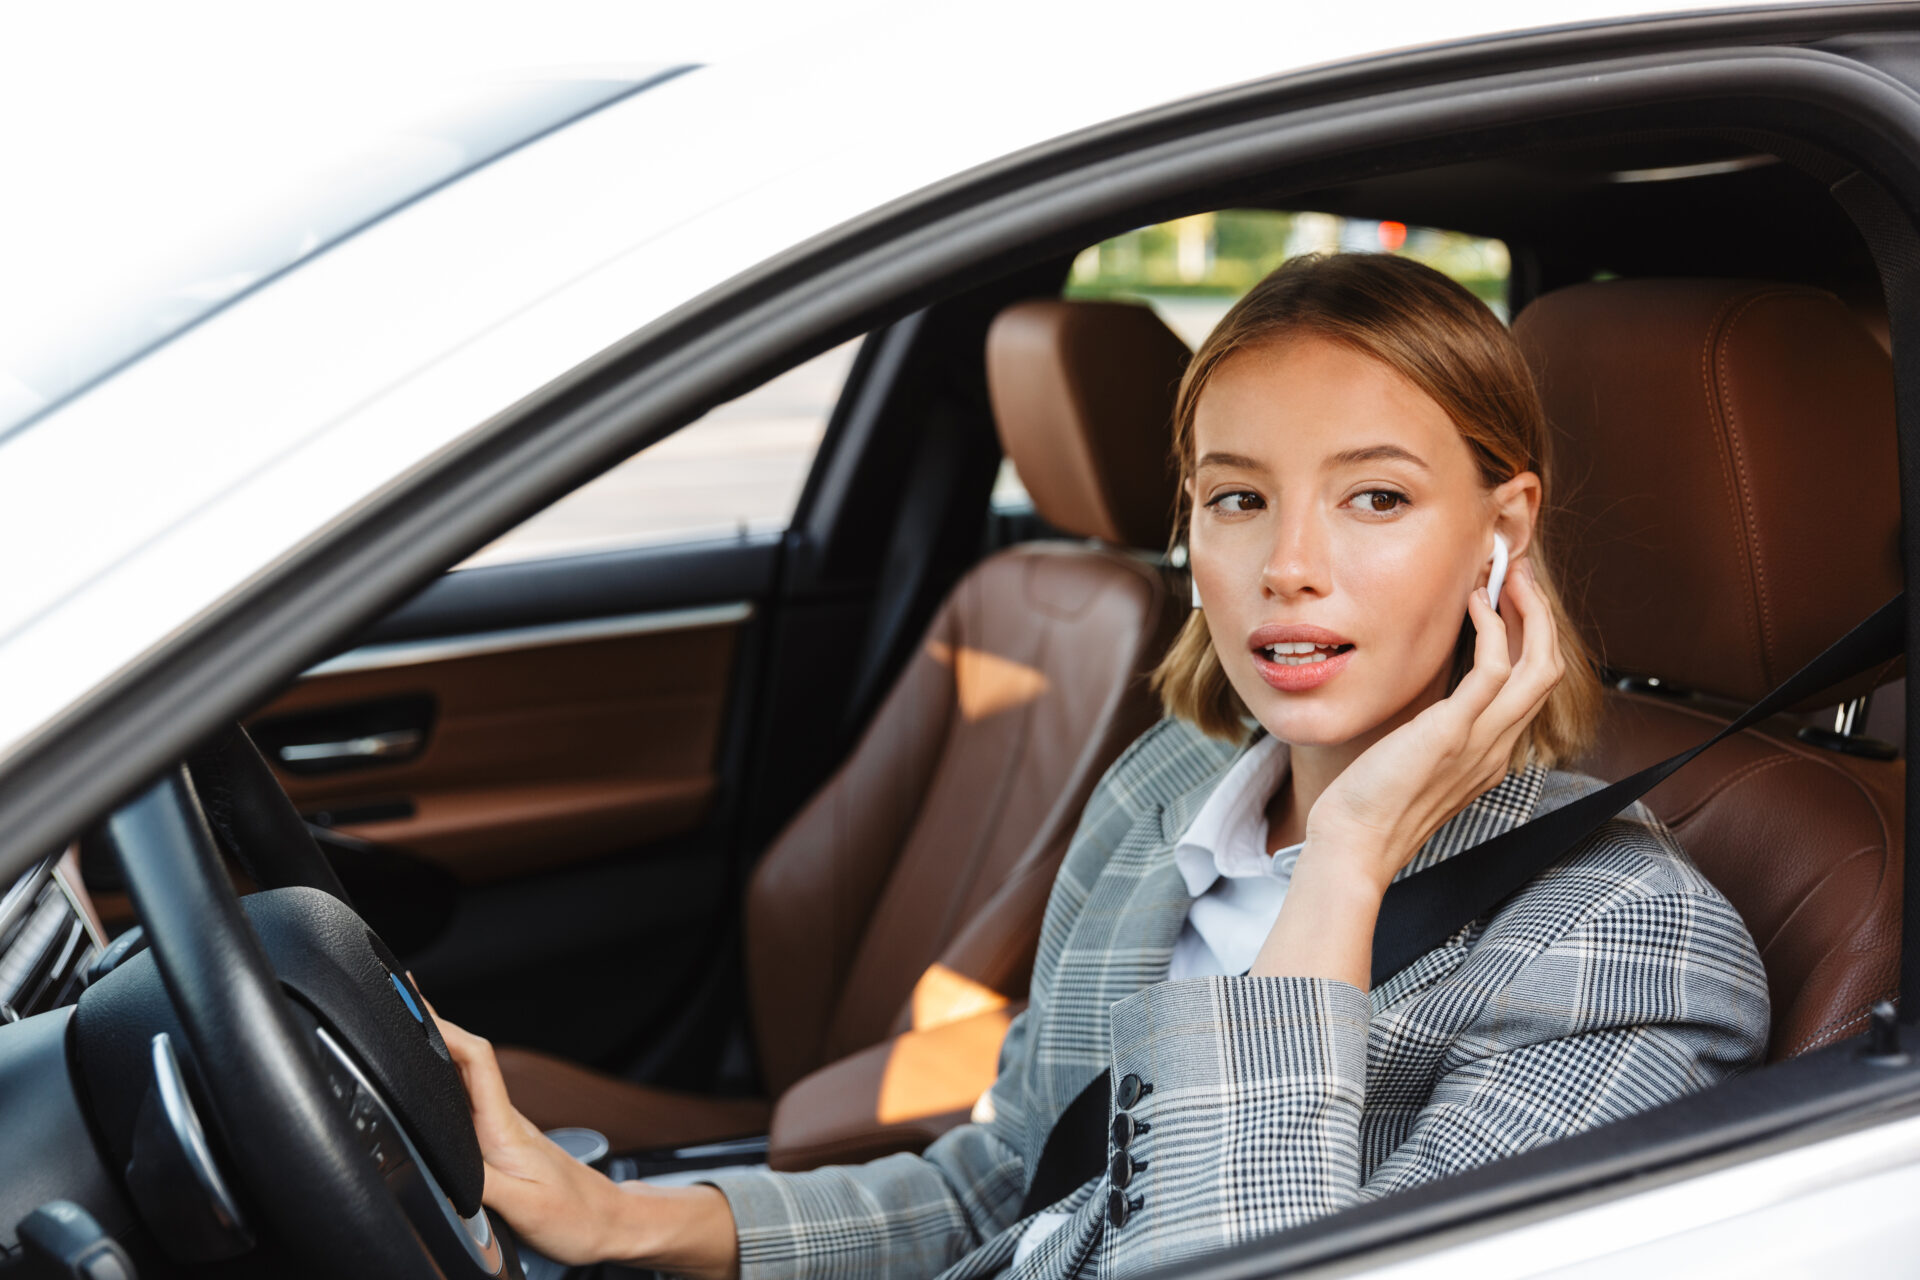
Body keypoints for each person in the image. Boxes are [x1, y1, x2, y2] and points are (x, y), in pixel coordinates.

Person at [431, 252, 1770, 1280]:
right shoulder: (1168, 793)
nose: (1288, 561)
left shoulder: (1630, 956)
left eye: (1377, 496)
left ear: (1503, 531)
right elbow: (1008, 1185)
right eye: (1238, 497)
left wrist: (1350, 861)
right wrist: (620, 1220)